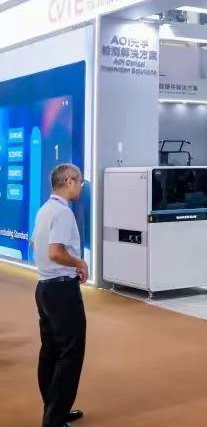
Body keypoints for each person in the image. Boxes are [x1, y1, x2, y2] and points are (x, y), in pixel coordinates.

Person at [31, 164, 88, 427]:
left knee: (51, 351)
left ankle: (53, 409)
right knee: (70, 354)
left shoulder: (44, 210)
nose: (81, 187)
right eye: (80, 182)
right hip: (62, 290)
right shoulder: (63, 213)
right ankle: (55, 418)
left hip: (44, 288)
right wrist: (79, 263)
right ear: (69, 181)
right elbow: (55, 252)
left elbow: (36, 244)